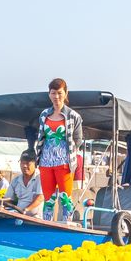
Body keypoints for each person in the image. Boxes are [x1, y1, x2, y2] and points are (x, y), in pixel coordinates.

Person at [34, 78, 83, 221]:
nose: (56, 96)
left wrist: (69, 152)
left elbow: (78, 139)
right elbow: (41, 136)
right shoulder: (44, 114)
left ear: (66, 93)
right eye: (53, 93)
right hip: (45, 161)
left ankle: (67, 224)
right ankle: (47, 224)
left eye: (59, 93)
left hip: (64, 162)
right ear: (49, 94)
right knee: (48, 199)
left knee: (65, 198)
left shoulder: (73, 116)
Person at [5, 151, 44, 217]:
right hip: (18, 217)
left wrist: (25, 210)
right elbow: (8, 199)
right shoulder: (16, 181)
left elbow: (40, 198)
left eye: (28, 163)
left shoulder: (40, 178)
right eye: (22, 163)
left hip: (36, 220)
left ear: (35, 164)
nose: (24, 166)